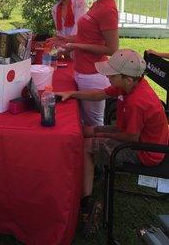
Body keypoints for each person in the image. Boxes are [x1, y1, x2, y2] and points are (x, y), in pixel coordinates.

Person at [56, 49, 169, 236]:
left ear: (128, 79)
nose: (107, 77)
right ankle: (94, 172)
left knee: (87, 146)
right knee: (85, 132)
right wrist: (72, 93)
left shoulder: (136, 102)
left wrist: (101, 135)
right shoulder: (129, 84)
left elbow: (130, 138)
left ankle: (86, 203)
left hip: (145, 151)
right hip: (135, 136)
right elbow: (100, 94)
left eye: (111, 75)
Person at [64, 0, 119, 126]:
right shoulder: (97, 4)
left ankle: (96, 153)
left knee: (93, 124)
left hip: (93, 75)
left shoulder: (108, 9)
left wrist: (76, 45)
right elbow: (89, 36)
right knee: (82, 121)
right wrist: (66, 39)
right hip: (82, 70)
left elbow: (112, 49)